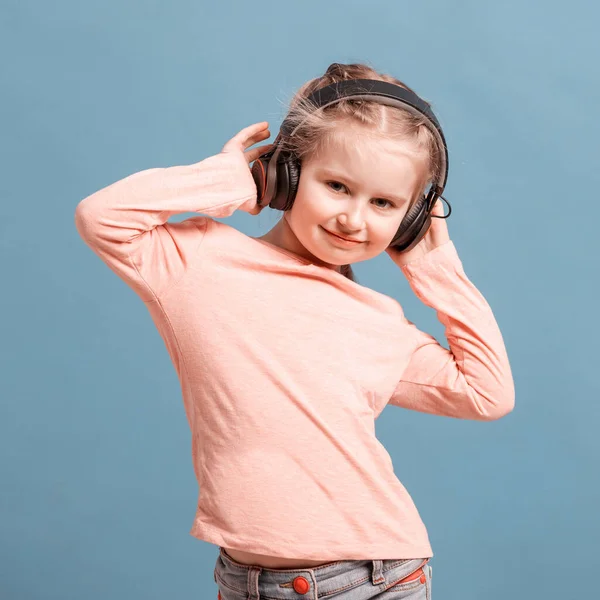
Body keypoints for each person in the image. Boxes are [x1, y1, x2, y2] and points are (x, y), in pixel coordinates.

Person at [74, 62, 515, 599]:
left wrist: (434, 265)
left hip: (373, 578)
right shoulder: (199, 261)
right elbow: (102, 216)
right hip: (245, 579)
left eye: (383, 203)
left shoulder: (377, 320)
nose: (354, 219)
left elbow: (487, 393)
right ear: (288, 172)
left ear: (412, 218)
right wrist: (229, 180)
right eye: (336, 186)